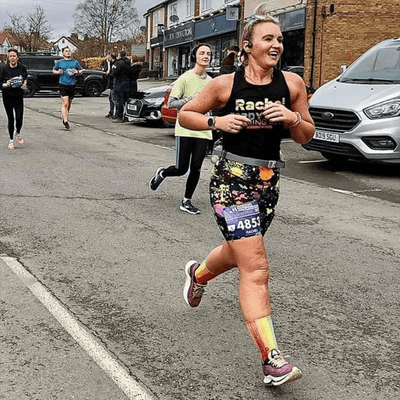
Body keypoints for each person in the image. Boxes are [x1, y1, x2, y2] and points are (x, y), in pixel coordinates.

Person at [179, 10, 315, 387]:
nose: (276, 45)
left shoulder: (292, 84)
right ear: (248, 45)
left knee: (239, 252)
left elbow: (307, 135)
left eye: (279, 39)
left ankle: (197, 273)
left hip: (268, 184)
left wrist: (291, 118)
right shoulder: (225, 85)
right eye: (268, 39)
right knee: (255, 266)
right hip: (230, 181)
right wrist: (216, 123)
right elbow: (184, 113)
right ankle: (273, 361)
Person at [149, 43, 213, 215]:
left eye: (208, 53)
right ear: (195, 57)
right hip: (185, 129)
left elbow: (213, 104)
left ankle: (186, 200)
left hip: (203, 129)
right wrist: (192, 99)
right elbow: (172, 103)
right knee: (181, 169)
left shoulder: (212, 82)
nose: (206, 56)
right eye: (202, 53)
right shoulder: (185, 78)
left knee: (197, 167)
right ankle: (162, 173)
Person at [0, 48, 28, 149]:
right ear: (8, 58)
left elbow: (25, 78)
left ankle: (18, 132)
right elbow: (0, 83)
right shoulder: (4, 69)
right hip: (7, 97)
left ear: (17, 58)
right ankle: (11, 140)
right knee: (10, 119)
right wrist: (4, 85)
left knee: (19, 118)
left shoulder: (22, 68)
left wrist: (24, 85)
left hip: (18, 96)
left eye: (14, 56)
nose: (12, 58)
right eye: (10, 56)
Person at [53, 47, 83, 130]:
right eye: (66, 51)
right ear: (63, 53)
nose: (68, 52)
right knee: (65, 103)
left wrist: (77, 72)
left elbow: (81, 71)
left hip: (72, 84)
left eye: (69, 51)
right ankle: (65, 121)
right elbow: (53, 70)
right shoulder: (60, 62)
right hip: (63, 84)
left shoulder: (75, 62)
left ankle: (64, 116)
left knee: (69, 103)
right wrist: (58, 72)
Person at [110, 50, 131, 123]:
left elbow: (114, 73)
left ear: (120, 55)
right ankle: (125, 116)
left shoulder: (119, 63)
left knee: (119, 100)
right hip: (127, 83)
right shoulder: (128, 63)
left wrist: (110, 72)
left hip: (119, 83)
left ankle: (119, 116)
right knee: (125, 100)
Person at [102, 53, 117, 118]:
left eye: (108, 57)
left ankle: (115, 112)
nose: (107, 58)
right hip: (109, 84)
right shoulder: (108, 64)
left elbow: (111, 73)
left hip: (113, 84)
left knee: (114, 98)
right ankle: (111, 111)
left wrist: (108, 73)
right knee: (110, 98)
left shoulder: (115, 64)